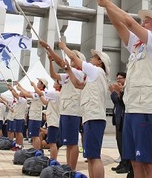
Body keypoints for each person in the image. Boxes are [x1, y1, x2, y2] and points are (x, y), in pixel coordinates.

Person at [97, 0, 152, 178]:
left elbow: (129, 22)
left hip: (146, 110)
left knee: (148, 163)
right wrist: (107, 4)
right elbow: (119, 25)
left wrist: (108, 3)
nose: (143, 22)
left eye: (147, 21)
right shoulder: (138, 46)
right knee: (135, 162)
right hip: (132, 108)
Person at [60, 40, 111, 178]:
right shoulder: (93, 76)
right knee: (90, 156)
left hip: (94, 117)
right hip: (90, 117)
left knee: (94, 156)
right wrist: (68, 70)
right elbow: (77, 84)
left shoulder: (96, 71)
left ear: (100, 62)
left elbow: (75, 59)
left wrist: (64, 47)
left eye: (94, 57)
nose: (91, 58)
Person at [42, 39, 85, 170]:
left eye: (74, 57)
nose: (71, 59)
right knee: (68, 143)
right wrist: (50, 60)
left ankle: (72, 169)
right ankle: (68, 166)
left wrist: (49, 48)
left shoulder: (79, 72)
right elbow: (54, 74)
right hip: (65, 111)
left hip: (72, 111)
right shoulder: (68, 75)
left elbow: (61, 63)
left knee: (72, 143)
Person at [110, 71, 130, 174]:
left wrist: (118, 92)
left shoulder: (127, 89)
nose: (118, 80)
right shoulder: (118, 89)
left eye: (120, 78)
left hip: (124, 119)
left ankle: (127, 165)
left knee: (124, 143)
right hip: (118, 119)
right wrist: (114, 92)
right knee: (119, 141)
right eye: (117, 78)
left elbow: (123, 103)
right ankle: (122, 162)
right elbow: (115, 101)